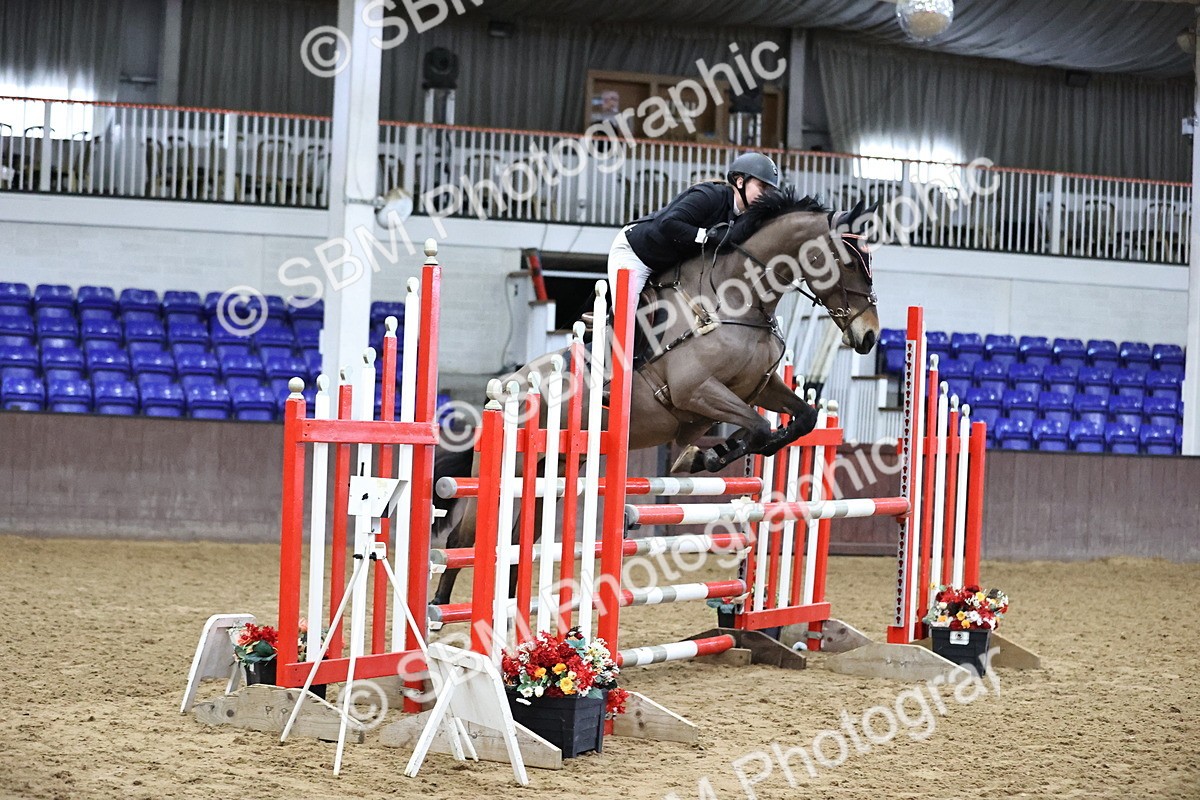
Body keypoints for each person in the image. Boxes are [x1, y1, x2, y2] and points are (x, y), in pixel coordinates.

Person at [607, 152, 781, 296]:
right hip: (636, 254)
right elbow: (668, 224)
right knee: (627, 316)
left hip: (671, 264)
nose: (767, 195)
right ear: (740, 181)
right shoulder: (709, 196)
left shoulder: (745, 217)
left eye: (770, 190)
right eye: (762, 187)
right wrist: (708, 236)